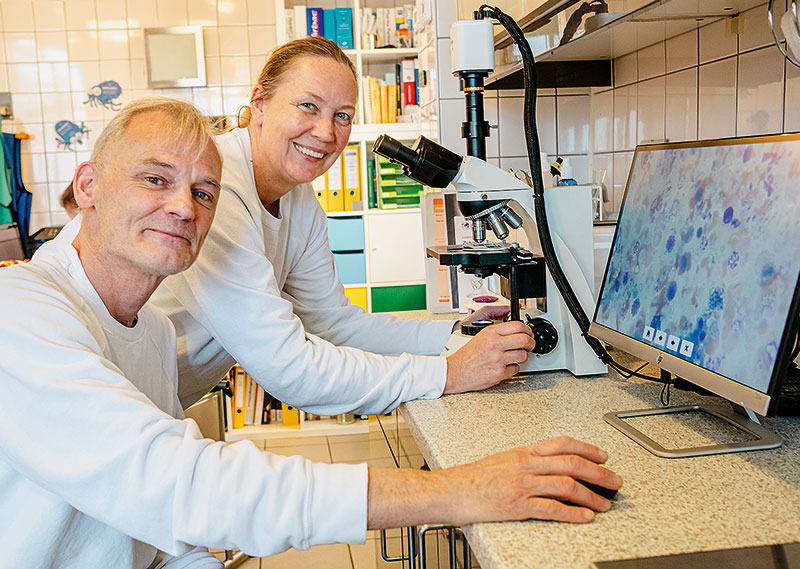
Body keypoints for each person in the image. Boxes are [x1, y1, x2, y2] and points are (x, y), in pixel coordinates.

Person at [0, 96, 621, 569]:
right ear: (87, 187)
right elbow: (178, 483)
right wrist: (457, 489)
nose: (185, 208)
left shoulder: (153, 331)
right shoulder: (20, 311)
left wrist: (453, 341)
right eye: (155, 179)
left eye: (203, 192)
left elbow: (150, 538)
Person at [151, 36, 536, 413]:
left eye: (342, 116)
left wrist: (454, 334)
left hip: (162, 399)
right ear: (260, 103)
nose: (326, 133)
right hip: (117, 398)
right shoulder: (215, 187)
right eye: (307, 106)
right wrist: (449, 373)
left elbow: (334, 324)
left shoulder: (299, 200)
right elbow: (288, 365)